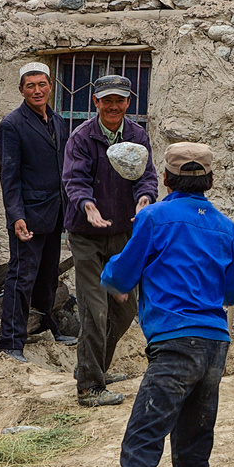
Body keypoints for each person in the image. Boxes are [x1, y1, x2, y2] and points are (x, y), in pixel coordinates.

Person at [93, 143, 234, 467]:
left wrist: (118, 271)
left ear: (165, 179)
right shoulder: (225, 227)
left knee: (143, 439)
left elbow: (121, 274)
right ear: (210, 181)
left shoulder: (153, 218)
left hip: (174, 345)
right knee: (193, 452)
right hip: (215, 346)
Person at [62, 74, 159, 407]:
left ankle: (96, 367)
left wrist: (145, 201)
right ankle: (89, 387)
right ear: (96, 103)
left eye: (119, 101)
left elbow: (147, 177)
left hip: (121, 233)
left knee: (126, 306)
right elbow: (74, 181)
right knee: (94, 307)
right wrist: (88, 207)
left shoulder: (137, 135)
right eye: (107, 101)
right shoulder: (82, 137)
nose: (113, 106)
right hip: (87, 234)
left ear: (129, 103)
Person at [0, 63, 76, 361]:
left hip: (54, 213)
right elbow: (9, 176)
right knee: (21, 278)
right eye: (30, 86)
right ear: (21, 90)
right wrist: (16, 216)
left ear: (50, 86)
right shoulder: (12, 125)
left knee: (47, 277)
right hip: (27, 217)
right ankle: (11, 342)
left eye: (42, 84)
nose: (37, 90)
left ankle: (46, 328)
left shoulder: (57, 121)